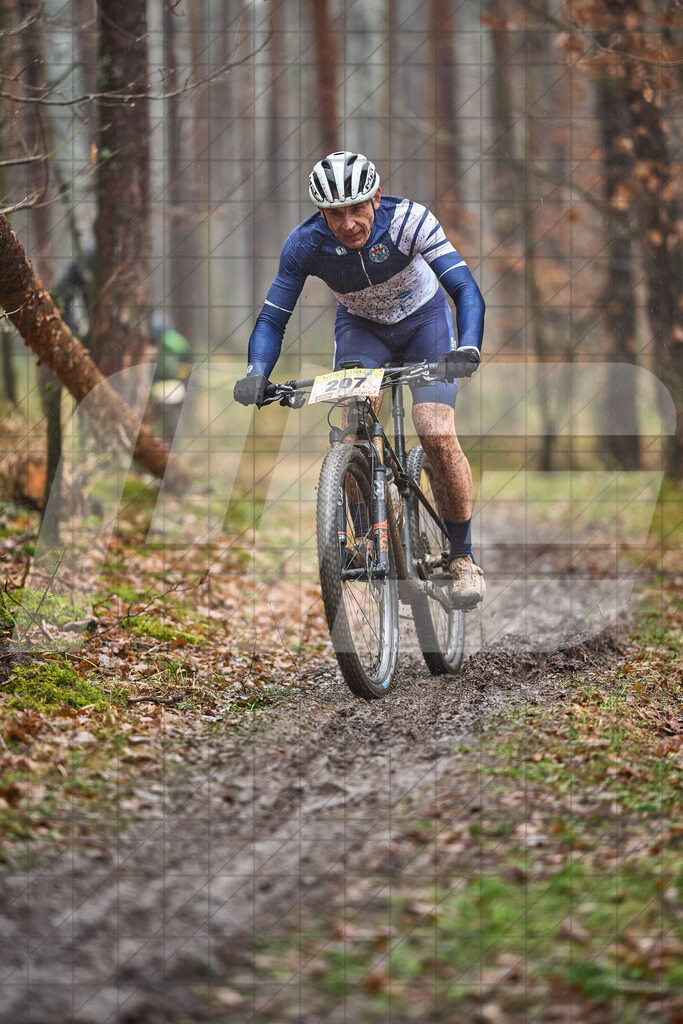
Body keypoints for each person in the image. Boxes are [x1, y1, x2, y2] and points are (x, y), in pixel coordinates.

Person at [234, 151, 486, 609]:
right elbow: (273, 318)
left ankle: (461, 556)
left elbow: (465, 289)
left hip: (423, 324)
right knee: (352, 426)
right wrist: (256, 373)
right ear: (320, 214)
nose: (348, 223)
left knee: (433, 426)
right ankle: (371, 536)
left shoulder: (410, 221)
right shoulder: (305, 243)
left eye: (357, 209)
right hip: (362, 330)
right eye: (335, 214)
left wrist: (467, 347)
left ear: (376, 198)